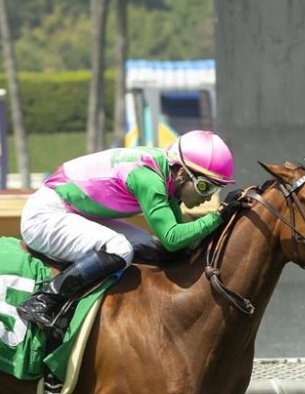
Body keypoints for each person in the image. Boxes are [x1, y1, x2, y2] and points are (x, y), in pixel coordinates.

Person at [16, 130, 243, 332]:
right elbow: (173, 238)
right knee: (120, 249)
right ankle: (46, 299)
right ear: (182, 173)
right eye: (205, 187)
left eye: (215, 189)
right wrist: (219, 216)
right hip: (45, 216)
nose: (206, 198)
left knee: (148, 247)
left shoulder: (168, 173)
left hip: (76, 211)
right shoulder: (150, 179)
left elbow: (176, 243)